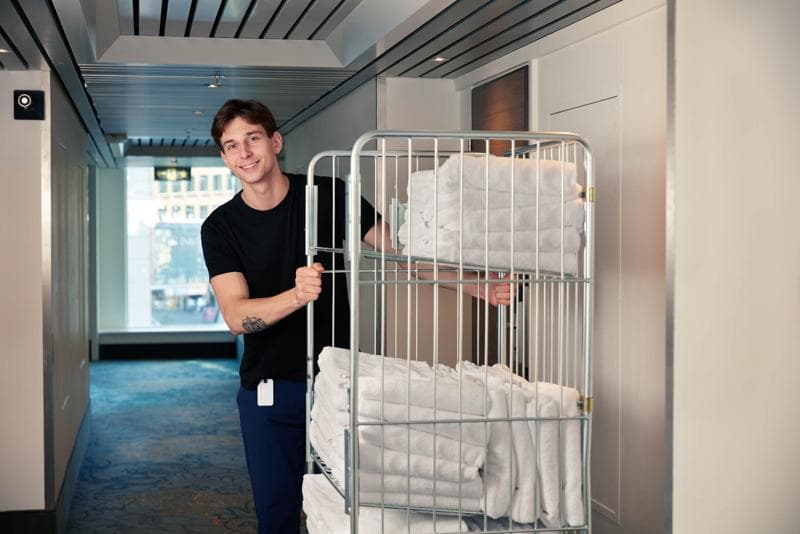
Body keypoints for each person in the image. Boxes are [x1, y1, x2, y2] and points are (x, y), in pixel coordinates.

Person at [201, 98, 511, 533]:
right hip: (269, 391)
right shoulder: (220, 226)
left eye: (253, 139)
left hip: (338, 383)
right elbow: (236, 316)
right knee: (277, 513)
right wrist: (296, 295)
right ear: (224, 157)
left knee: (351, 506)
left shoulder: (329, 193)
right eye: (232, 146)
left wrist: (477, 286)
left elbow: (403, 252)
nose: (245, 153)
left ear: (275, 142)